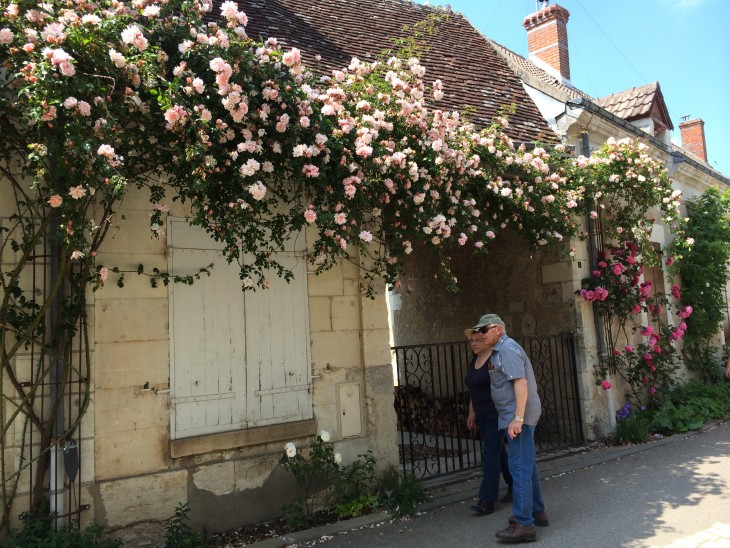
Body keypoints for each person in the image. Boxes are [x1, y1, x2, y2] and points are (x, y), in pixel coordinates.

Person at [466, 313, 548, 543]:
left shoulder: (508, 350)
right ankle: (538, 512)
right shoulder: (498, 351)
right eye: (479, 331)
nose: (480, 335)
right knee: (527, 465)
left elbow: (520, 383)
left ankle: (524, 524)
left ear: (498, 330)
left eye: (485, 330)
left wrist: (518, 418)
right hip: (510, 416)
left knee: (519, 467)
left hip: (516, 417)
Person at [464, 326, 513, 515]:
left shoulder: (496, 358)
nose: (474, 344)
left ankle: (487, 499)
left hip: (496, 413)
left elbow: (507, 384)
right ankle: (514, 484)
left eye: (478, 340)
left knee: (490, 454)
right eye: (471, 341)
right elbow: (473, 390)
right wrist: (471, 412)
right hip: (482, 413)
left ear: (486, 341)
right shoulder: (474, 360)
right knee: (498, 451)